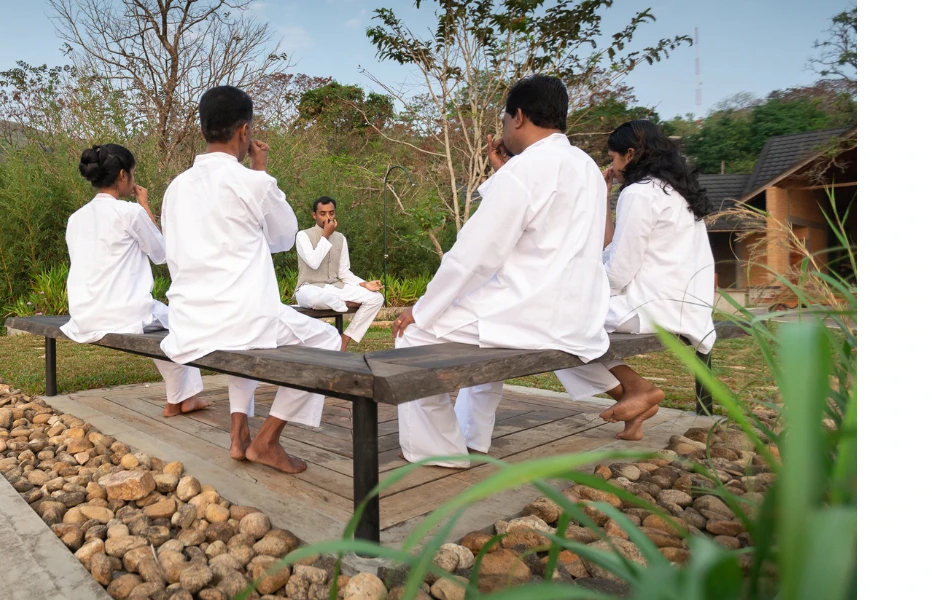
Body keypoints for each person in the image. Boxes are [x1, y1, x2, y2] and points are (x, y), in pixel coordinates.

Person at [390, 75, 612, 468]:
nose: (504, 128)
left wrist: (422, 308)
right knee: (484, 328)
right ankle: (472, 435)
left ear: (519, 116)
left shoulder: (526, 170)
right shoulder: (587, 168)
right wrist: (503, 173)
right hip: (578, 317)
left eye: (505, 119)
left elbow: (473, 256)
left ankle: (437, 451)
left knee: (412, 336)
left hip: (530, 314)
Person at [160, 86, 342, 474]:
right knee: (327, 340)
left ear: (204, 128)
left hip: (188, 320)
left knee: (251, 326)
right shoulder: (252, 182)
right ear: (244, 131)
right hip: (240, 317)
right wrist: (261, 172)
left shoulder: (176, 187)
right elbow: (282, 240)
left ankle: (238, 432)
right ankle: (267, 441)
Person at [552, 119, 717, 440]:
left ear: (630, 154)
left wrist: (581, 293)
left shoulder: (640, 193)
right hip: (684, 308)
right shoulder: (675, 192)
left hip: (651, 307)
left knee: (549, 323)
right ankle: (635, 401)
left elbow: (618, 270)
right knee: (562, 323)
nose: (612, 167)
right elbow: (615, 250)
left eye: (613, 158)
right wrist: (605, 198)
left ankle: (636, 389)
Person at [61, 143, 208, 418]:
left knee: (167, 321)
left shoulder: (76, 218)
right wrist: (144, 205)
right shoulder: (129, 212)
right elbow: (161, 253)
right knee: (181, 321)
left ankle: (183, 398)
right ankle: (180, 399)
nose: (133, 179)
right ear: (122, 175)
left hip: (84, 314)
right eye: (133, 173)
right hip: (121, 312)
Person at [293, 196, 386, 350]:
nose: (327, 217)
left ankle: (344, 340)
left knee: (376, 298)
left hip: (334, 289)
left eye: (331, 213)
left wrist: (364, 284)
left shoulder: (340, 238)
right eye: (322, 213)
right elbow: (313, 262)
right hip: (309, 288)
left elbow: (343, 272)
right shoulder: (303, 236)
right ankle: (346, 303)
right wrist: (326, 235)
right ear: (314, 215)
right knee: (316, 298)